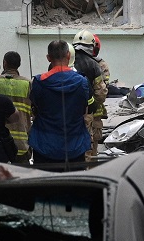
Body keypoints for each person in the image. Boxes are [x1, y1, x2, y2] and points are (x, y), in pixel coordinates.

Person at [28, 40, 92, 170]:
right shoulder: (82, 82)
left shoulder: (39, 82)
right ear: (68, 56)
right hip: (75, 146)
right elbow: (85, 110)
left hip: (44, 146)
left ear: (48, 58)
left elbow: (34, 109)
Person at [70, 31, 111, 162]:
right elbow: (101, 94)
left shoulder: (63, 61)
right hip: (87, 114)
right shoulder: (94, 65)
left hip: (64, 114)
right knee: (87, 150)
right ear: (92, 46)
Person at [0, 51, 33, 163]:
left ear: (4, 63)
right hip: (22, 144)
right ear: (19, 64)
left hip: (1, 143)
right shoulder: (27, 83)